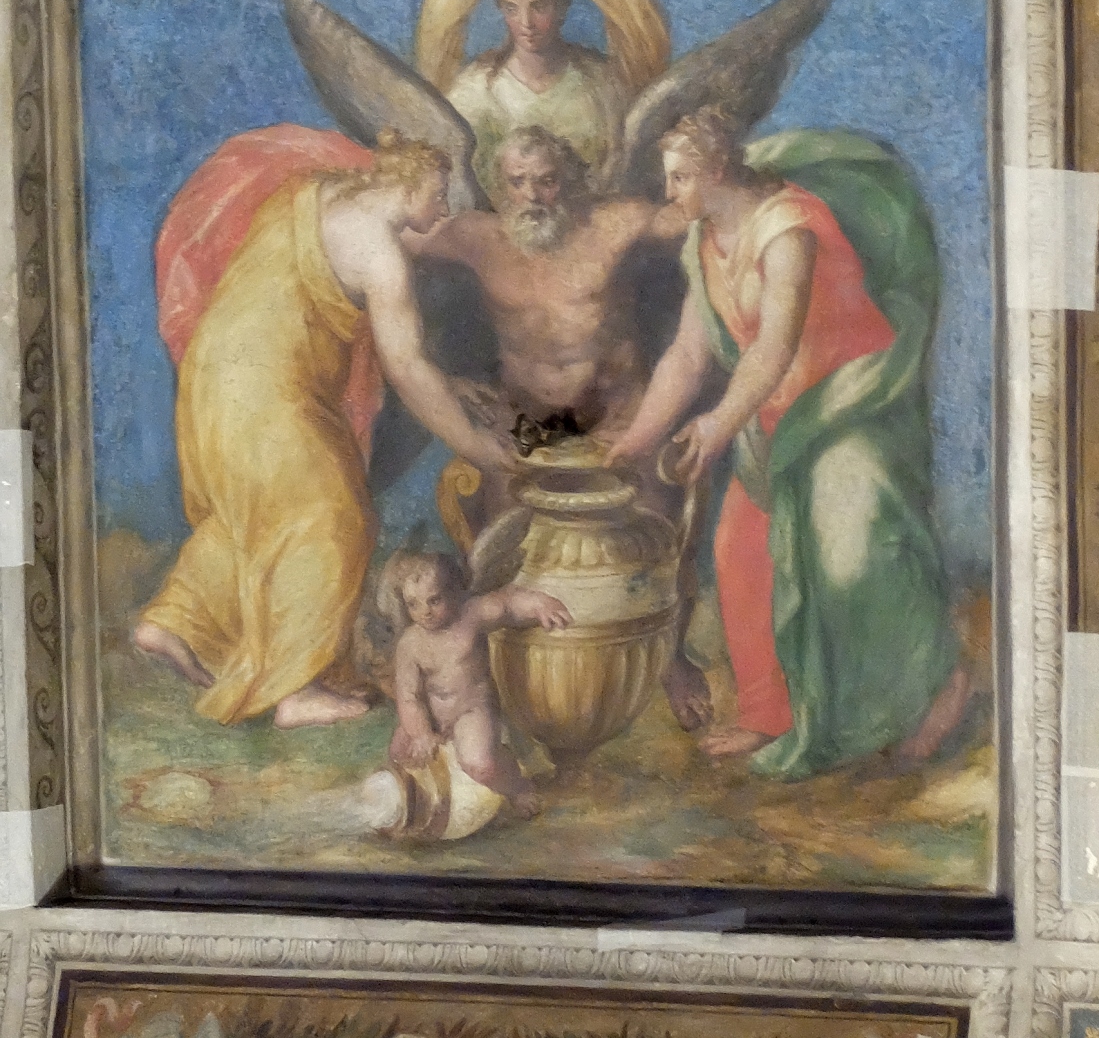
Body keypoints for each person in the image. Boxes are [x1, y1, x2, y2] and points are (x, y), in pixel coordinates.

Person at [606, 108, 970, 779]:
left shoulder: (787, 229)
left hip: (847, 405)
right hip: (772, 417)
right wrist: (632, 440)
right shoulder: (702, 241)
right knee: (738, 553)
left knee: (852, 554)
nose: (670, 192)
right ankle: (766, 712)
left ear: (718, 170)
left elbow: (774, 347)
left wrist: (717, 424)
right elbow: (686, 357)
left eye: (680, 177)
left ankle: (934, 689)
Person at [134, 130, 514, 730]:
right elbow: (407, 370)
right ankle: (294, 689)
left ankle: (175, 623)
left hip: (216, 380)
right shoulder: (380, 256)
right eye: (439, 195)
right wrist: (481, 451)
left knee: (259, 515)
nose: (444, 209)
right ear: (409, 186)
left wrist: (453, 386)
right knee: (334, 521)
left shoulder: (317, 190)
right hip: (267, 398)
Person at [405, 123, 712, 733]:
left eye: (546, 181)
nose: (532, 195)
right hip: (527, 425)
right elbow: (388, 235)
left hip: (616, 414)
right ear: (497, 186)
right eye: (517, 182)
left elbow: (692, 216)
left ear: (570, 180)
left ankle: (672, 659)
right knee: (498, 551)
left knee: (661, 540)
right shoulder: (475, 237)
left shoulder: (613, 222)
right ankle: (492, 677)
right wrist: (444, 379)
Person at [381, 549, 572, 818]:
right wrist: (422, 733)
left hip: (471, 709)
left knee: (481, 766)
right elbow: (408, 697)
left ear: (453, 592)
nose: (425, 612)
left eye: (434, 600)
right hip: (430, 715)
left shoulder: (471, 615)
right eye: (414, 604)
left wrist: (540, 604)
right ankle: (423, 805)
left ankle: (517, 786)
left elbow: (507, 603)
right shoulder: (410, 644)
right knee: (400, 755)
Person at [446, 0, 626, 206]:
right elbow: (458, 173)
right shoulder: (476, 87)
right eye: (512, 9)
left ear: (561, 8)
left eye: (539, 7)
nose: (526, 22)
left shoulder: (600, 81)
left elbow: (617, 163)